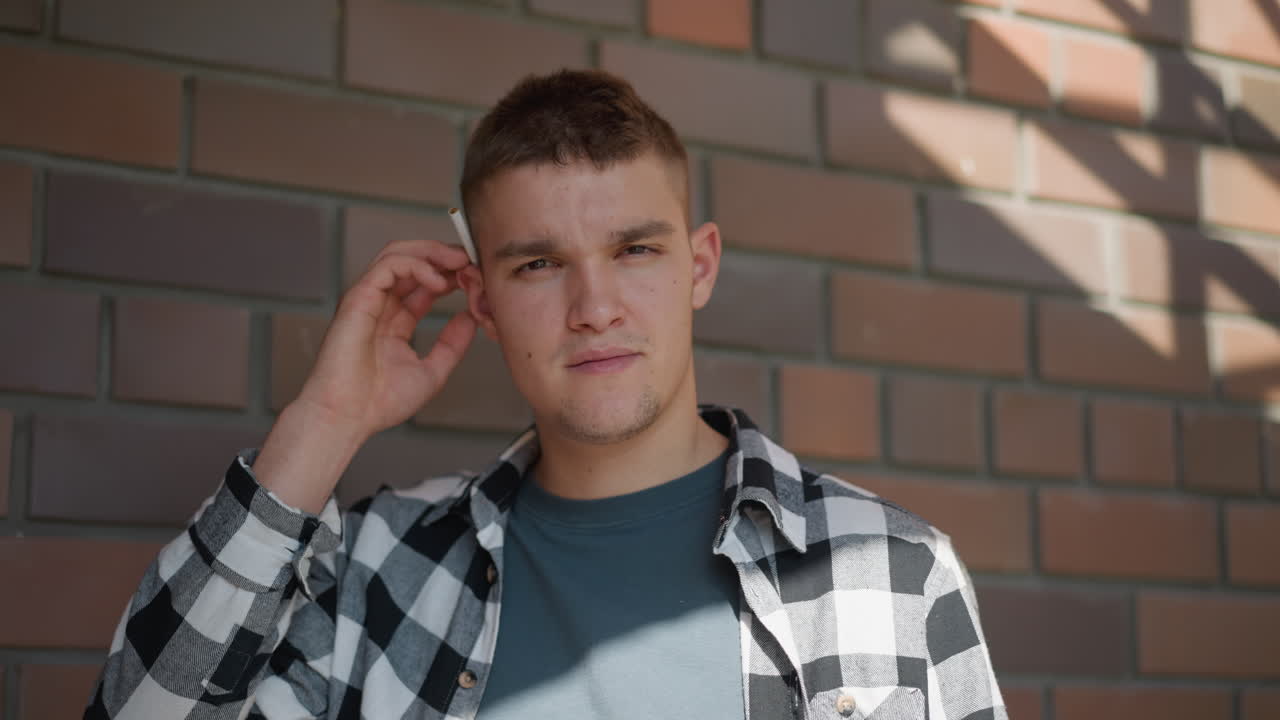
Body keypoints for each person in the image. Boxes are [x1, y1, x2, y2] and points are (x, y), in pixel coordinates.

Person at [85, 69, 1006, 719]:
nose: (594, 308)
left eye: (636, 250)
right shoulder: (378, 573)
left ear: (700, 266)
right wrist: (323, 426)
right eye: (539, 265)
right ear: (482, 301)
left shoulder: (890, 572)